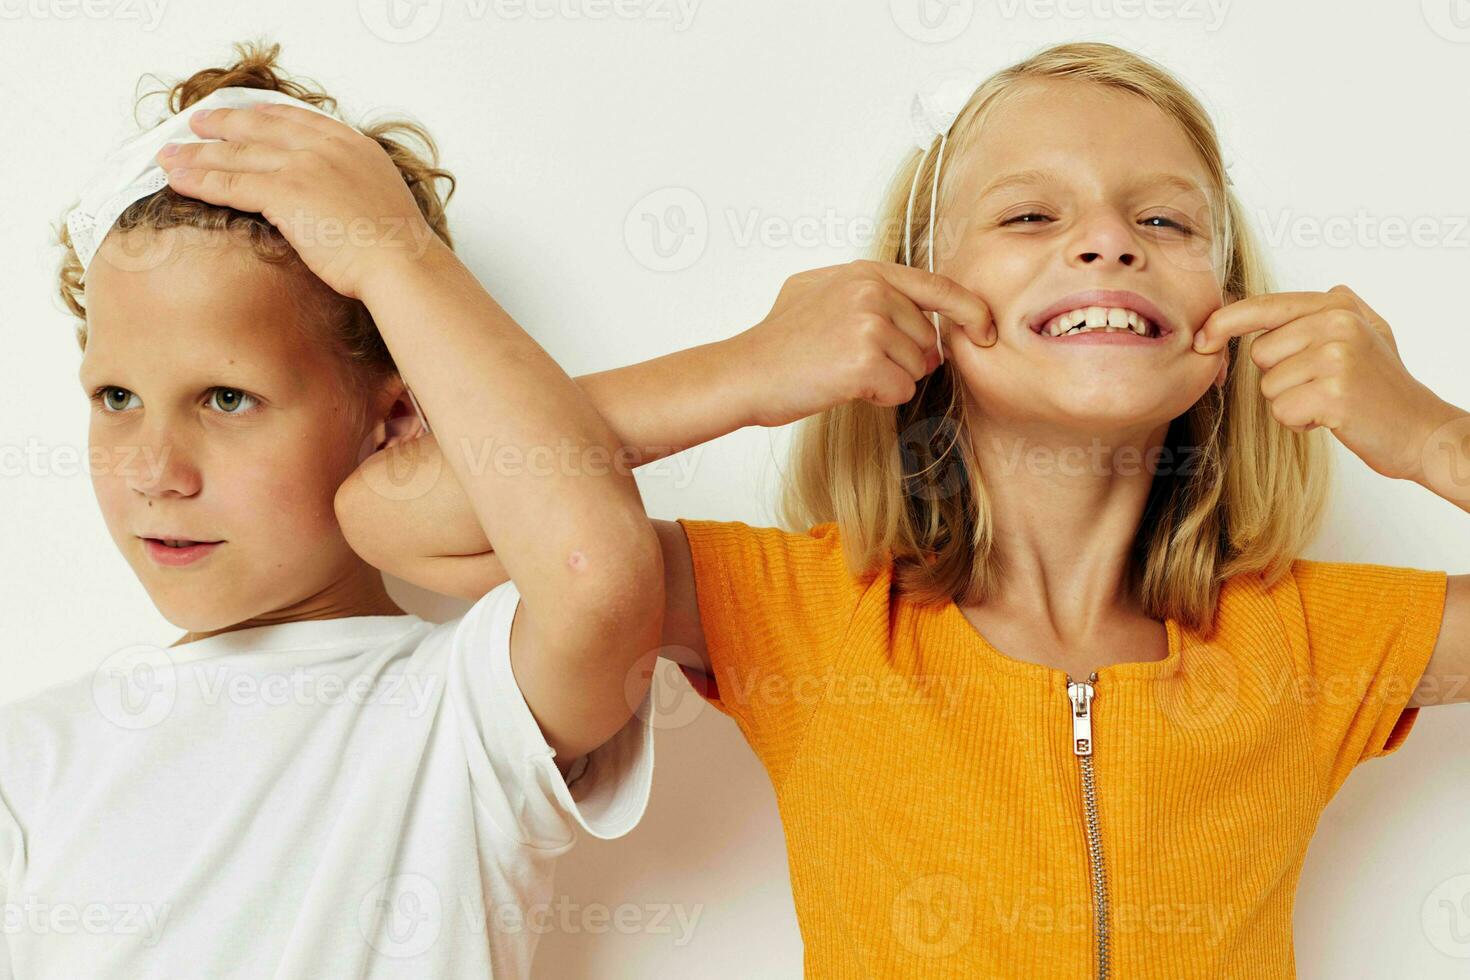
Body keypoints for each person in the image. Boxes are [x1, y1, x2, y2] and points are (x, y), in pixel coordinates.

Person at [338, 41, 1470, 978]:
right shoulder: (807, 612)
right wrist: (748, 368)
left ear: (1227, 323)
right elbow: (411, 511)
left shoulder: (1314, 639)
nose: (1108, 240)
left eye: (1167, 224)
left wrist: (1427, 434)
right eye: (1029, 214)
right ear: (920, 301)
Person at [0, 39, 663, 979]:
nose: (154, 471)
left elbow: (598, 578)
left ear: (395, 416)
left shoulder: (465, 711)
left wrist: (395, 261)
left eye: (226, 399)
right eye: (116, 398)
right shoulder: (27, 767)